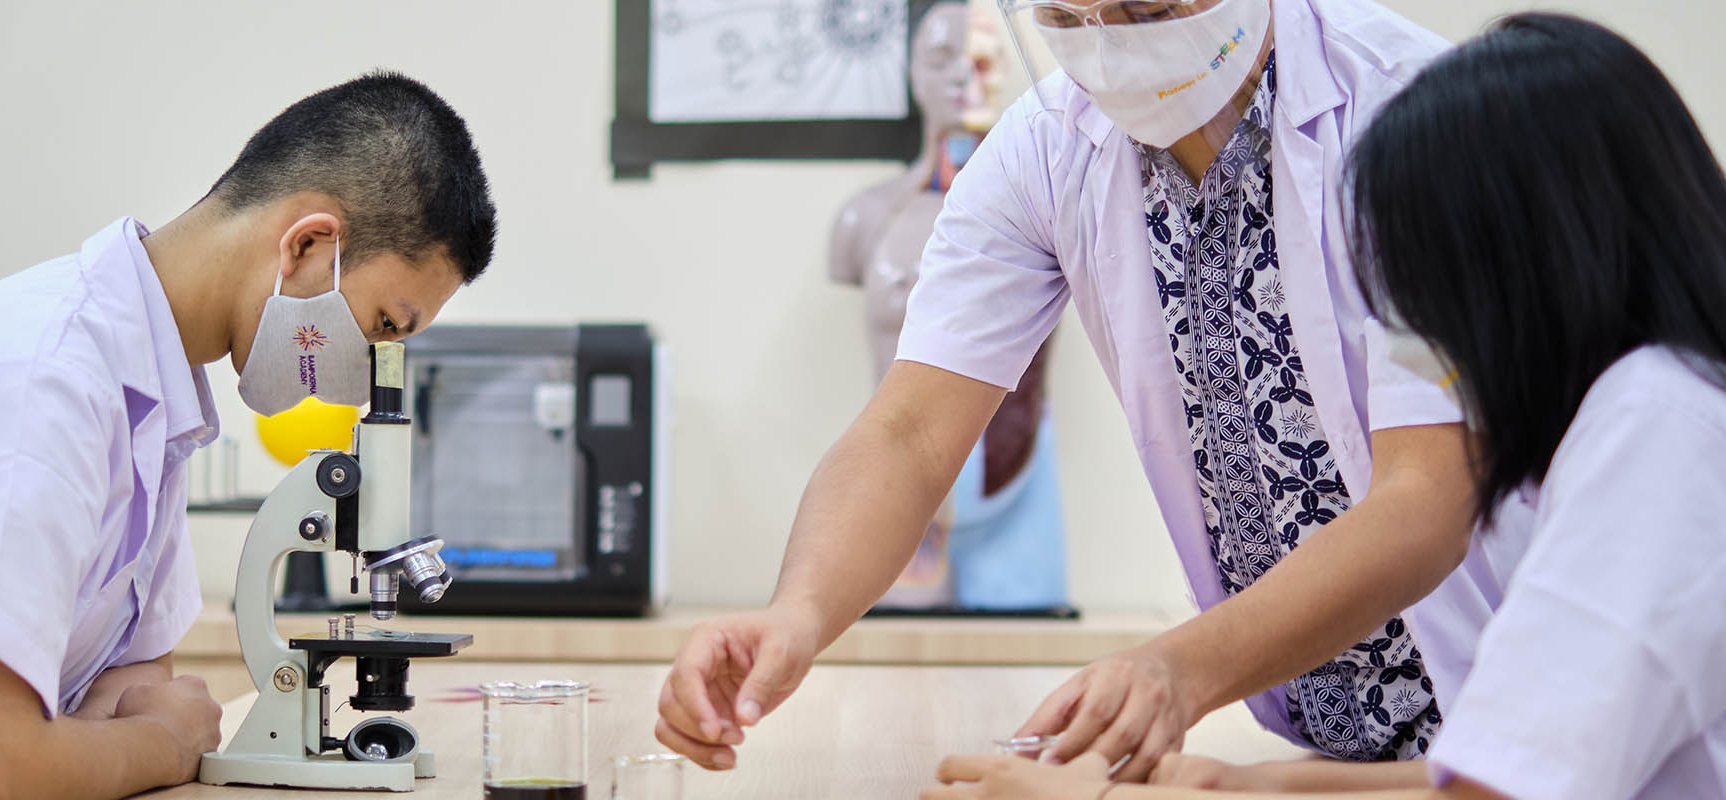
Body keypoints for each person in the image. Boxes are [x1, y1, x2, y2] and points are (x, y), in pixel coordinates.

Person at [658, 0, 1522, 780]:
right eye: (1068, 18)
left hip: (1529, 710)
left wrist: (1175, 671)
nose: (1113, 42)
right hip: (1329, 751)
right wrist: (799, 613)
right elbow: (911, 432)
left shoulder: (1413, 113)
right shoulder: (1047, 148)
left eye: (1148, 6)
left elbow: (1428, 499)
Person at [929, 12, 1726, 799]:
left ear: (1543, 250)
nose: (1420, 333)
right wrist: (1244, 785)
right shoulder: (1653, 407)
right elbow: (1493, 776)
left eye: (1428, 275)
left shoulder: (1658, 435)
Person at [0, 71, 497, 798]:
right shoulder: (35, 383)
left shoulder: (159, 401)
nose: (361, 381)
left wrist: (128, 733)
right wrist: (162, 745)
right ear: (307, 245)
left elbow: (135, 685)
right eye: (384, 325)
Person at [831, 0, 1069, 612]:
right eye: (942, 60)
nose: (966, 75)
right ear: (913, 75)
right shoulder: (866, 218)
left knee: (1022, 625)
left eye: (984, 58)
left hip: (1015, 479)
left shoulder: (1056, 204)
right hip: (901, 483)